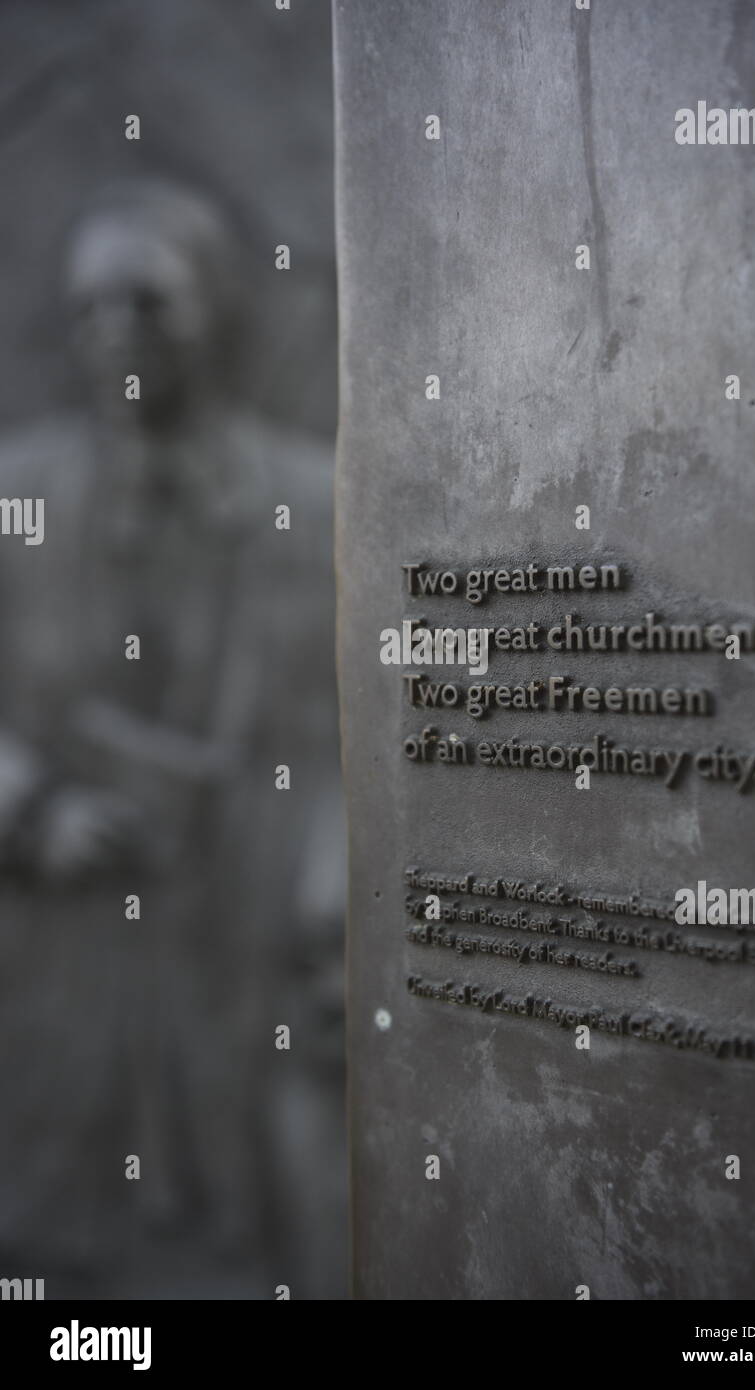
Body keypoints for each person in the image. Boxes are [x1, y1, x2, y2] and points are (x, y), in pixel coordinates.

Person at [0, 179, 345, 1296]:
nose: (116, 334)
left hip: (243, 949)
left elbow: (369, 735)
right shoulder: (16, 494)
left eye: (148, 301)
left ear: (219, 310)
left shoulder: (319, 502)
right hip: (59, 953)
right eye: (90, 308)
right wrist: (24, 809)